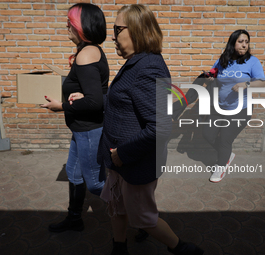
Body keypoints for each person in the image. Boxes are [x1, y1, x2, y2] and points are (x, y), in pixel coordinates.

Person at [87, 4, 203, 255]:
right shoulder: (137, 62)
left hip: (134, 162)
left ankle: (181, 248)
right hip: (120, 160)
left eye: (118, 29)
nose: (113, 36)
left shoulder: (147, 68)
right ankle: (119, 248)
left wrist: (123, 154)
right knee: (117, 207)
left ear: (137, 30)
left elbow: (160, 127)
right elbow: (123, 102)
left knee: (143, 218)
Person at [41, 3, 109, 232]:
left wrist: (60, 106)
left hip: (89, 130)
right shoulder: (88, 51)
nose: (66, 26)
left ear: (81, 26)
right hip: (81, 130)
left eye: (69, 22)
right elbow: (96, 93)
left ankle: (140, 217)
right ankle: (74, 219)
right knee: (73, 173)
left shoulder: (87, 54)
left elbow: (94, 102)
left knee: (96, 183)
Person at [203, 29, 265, 183]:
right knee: (208, 135)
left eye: (246, 42)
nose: (244, 45)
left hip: (241, 109)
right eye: (240, 41)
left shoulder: (252, 61)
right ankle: (227, 155)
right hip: (219, 107)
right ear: (233, 43)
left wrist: (246, 83)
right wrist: (210, 77)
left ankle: (221, 166)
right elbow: (214, 72)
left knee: (225, 139)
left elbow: (262, 82)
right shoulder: (223, 59)